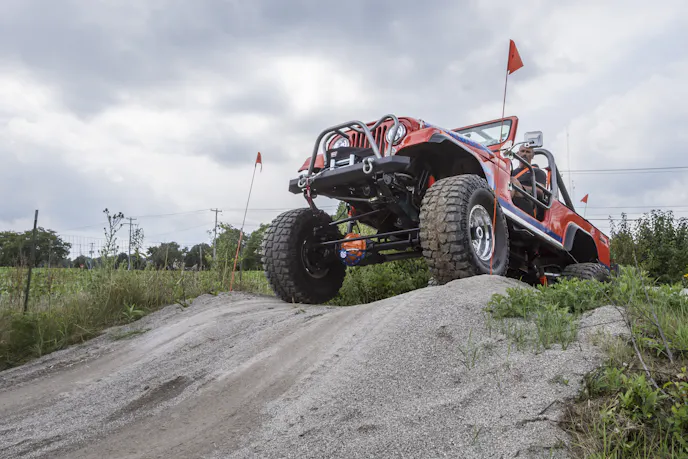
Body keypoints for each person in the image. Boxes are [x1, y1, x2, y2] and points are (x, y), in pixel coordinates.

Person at [510, 145, 547, 218]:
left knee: (512, 181)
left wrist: (519, 186)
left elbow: (540, 191)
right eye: (522, 151)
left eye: (528, 152)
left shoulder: (538, 172)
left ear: (532, 156)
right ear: (518, 154)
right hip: (513, 194)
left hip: (528, 200)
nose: (524, 154)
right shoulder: (511, 172)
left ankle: (501, 205)